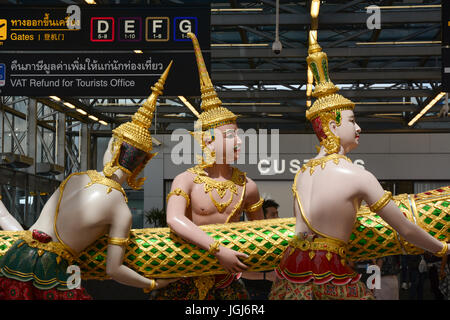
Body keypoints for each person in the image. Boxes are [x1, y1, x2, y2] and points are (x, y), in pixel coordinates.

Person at [268, 13, 449, 300]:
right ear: (330, 126)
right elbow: (403, 227)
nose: (358, 127)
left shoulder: (303, 172)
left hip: (293, 271)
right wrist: (443, 249)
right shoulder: (357, 175)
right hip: (329, 272)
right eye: (352, 121)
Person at [0, 64, 177, 300]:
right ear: (141, 165)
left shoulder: (77, 178)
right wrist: (152, 283)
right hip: (49, 274)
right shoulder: (120, 210)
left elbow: (34, 233)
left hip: (15, 258)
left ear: (113, 149)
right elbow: (114, 270)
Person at [151, 33, 264, 300]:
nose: (239, 141)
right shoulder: (186, 180)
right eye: (230, 135)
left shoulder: (248, 186)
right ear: (209, 141)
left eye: (238, 134)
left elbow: (259, 233)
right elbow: (174, 219)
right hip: (186, 273)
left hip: (226, 279)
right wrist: (217, 249)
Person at [241, 199, 279, 299]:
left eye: (277, 214)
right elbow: (239, 273)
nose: (278, 218)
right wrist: (266, 276)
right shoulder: (249, 242)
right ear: (262, 217)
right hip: (254, 293)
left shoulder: (278, 240)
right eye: (273, 215)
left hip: (275, 292)